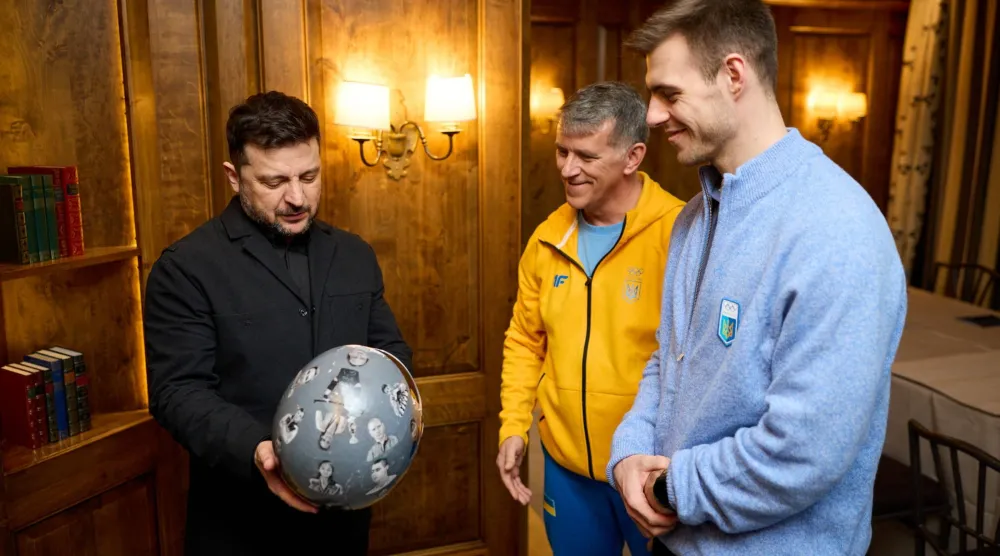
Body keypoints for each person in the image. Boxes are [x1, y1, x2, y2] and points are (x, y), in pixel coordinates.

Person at [606, 2, 908, 555]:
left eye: (669, 94)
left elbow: (802, 452)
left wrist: (670, 487)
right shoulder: (693, 218)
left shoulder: (837, 229)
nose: (650, 115)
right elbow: (668, 358)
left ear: (734, 75)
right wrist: (628, 454)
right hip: (674, 541)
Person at [143, 91, 412, 556]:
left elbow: (389, 353)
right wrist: (264, 452)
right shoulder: (186, 267)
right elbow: (177, 391)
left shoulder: (354, 255)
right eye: (274, 181)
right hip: (240, 522)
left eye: (309, 176)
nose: (297, 197)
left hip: (342, 523)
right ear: (234, 177)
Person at [497, 81, 686, 556]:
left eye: (586, 156)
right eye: (562, 151)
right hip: (566, 471)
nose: (567, 168)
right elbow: (524, 340)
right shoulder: (547, 237)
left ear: (632, 156)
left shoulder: (680, 234)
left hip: (649, 470)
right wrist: (513, 425)